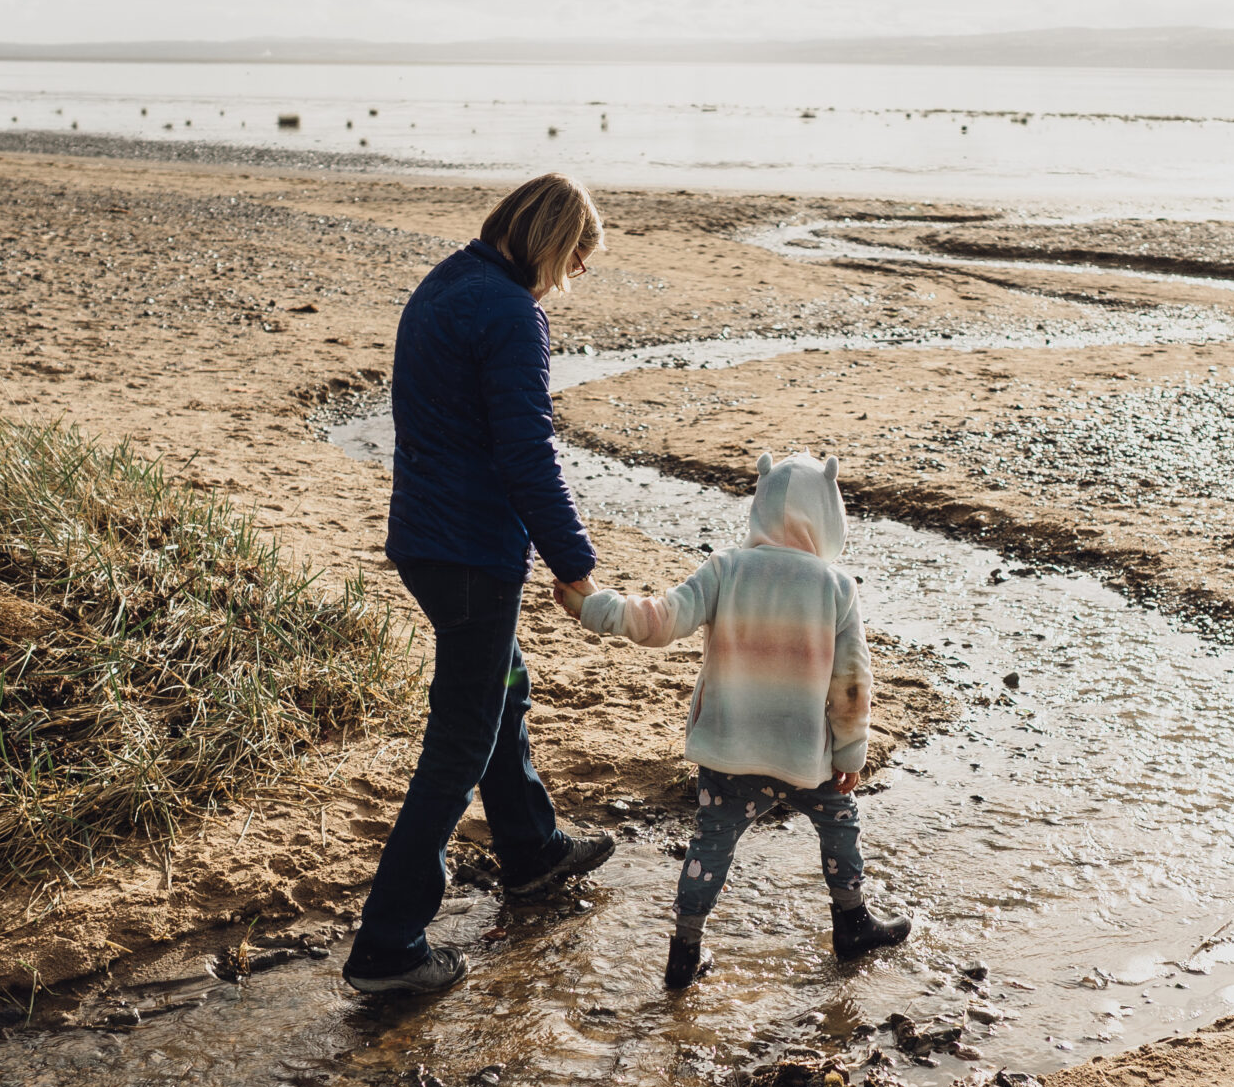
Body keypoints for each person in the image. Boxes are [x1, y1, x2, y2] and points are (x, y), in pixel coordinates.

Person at [342, 173, 617, 996]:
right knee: (459, 738)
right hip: (468, 550)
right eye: (575, 258)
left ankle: (531, 849)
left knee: (504, 686)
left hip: (429, 539)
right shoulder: (508, 311)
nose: (570, 277)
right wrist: (574, 560)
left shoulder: (446, 282)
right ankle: (387, 945)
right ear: (551, 238)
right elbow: (526, 450)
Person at [554, 450, 909, 992]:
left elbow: (661, 619)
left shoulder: (726, 568)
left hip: (729, 751)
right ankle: (852, 923)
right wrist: (850, 754)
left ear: (761, 504)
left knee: (710, 846)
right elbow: (852, 685)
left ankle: (684, 953)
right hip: (804, 756)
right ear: (828, 513)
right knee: (840, 825)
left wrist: (593, 606)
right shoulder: (836, 587)